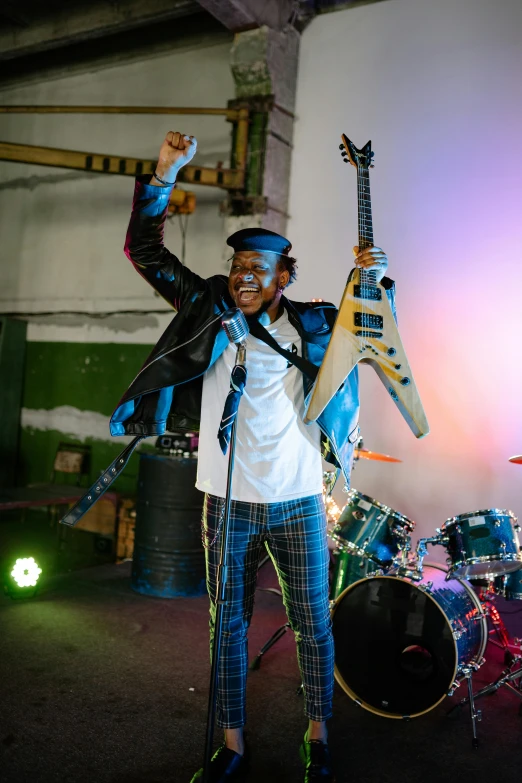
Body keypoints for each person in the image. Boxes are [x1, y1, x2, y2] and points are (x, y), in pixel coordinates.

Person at [112, 131, 395, 783]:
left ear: (285, 276)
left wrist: (375, 276)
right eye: (239, 265)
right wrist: (162, 175)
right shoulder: (206, 308)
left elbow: (377, 325)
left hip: (297, 499)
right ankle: (232, 744)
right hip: (226, 498)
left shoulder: (320, 323)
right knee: (227, 627)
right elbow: (145, 249)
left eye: (260, 267)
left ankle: (318, 734)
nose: (245, 276)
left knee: (311, 624)